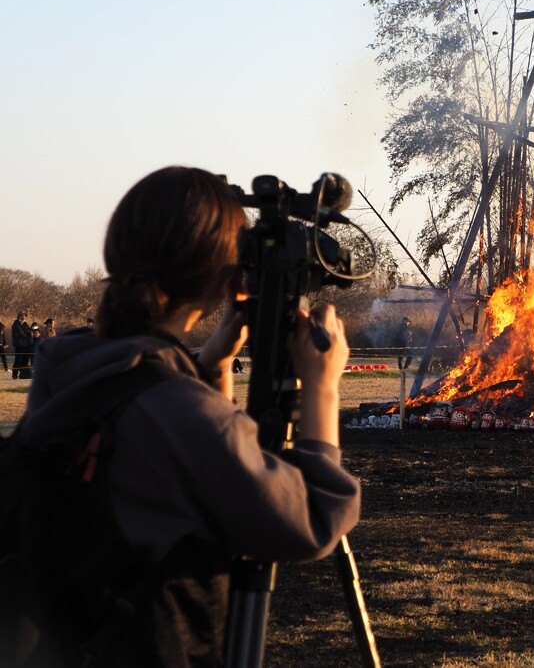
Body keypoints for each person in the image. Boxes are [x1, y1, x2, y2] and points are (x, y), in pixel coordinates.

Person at [21, 166, 360, 666]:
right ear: (224, 275)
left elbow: (166, 464)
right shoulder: (181, 413)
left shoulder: (66, 370)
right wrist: (324, 389)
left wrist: (209, 368)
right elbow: (312, 517)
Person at [11, 312, 31, 380]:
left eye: (25, 316)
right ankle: (14, 374)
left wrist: (26, 333)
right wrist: (25, 333)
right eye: (22, 316)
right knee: (18, 360)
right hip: (19, 345)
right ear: (18, 316)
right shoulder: (15, 324)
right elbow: (20, 333)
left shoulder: (25, 324)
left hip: (26, 345)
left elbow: (29, 332)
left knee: (25, 361)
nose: (23, 317)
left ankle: (23, 374)